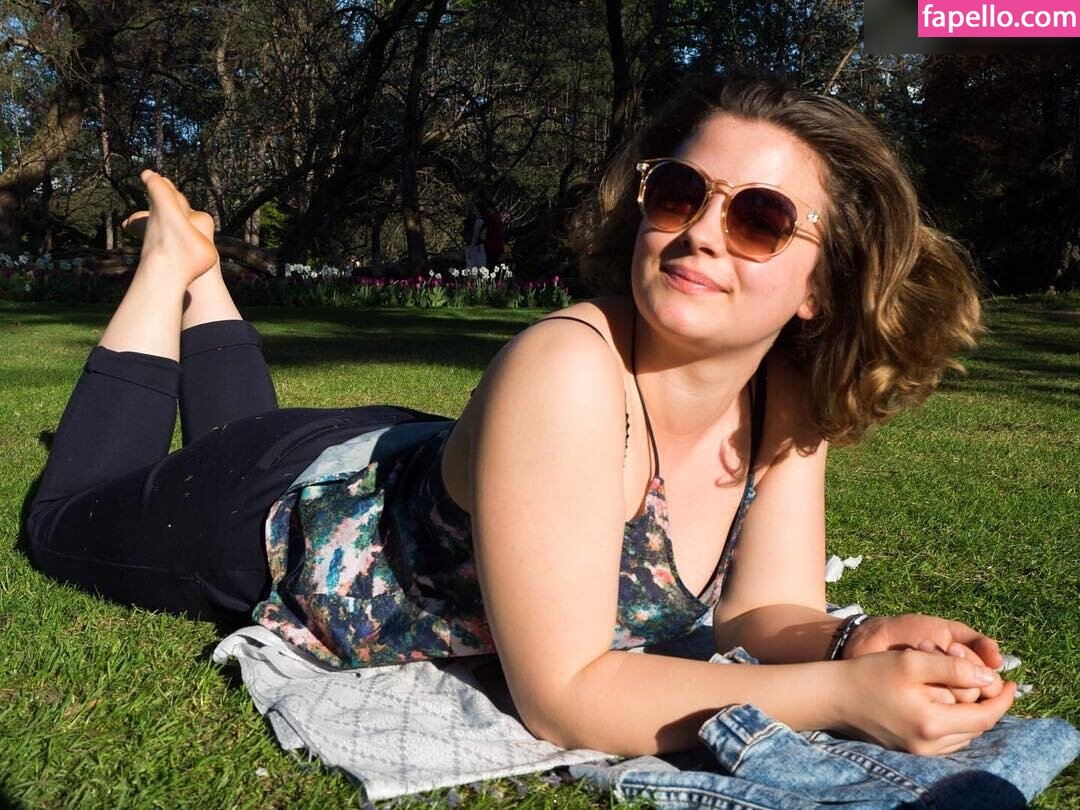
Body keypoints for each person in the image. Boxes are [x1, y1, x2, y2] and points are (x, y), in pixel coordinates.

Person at [25, 74, 1017, 761]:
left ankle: (205, 281)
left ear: (821, 284)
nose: (702, 235)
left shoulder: (783, 396)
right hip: (263, 515)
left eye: (759, 219)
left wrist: (852, 643)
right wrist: (841, 701)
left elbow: (763, 615)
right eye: (680, 194)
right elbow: (567, 696)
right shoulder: (570, 367)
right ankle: (171, 266)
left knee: (228, 436)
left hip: (387, 459)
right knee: (61, 517)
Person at [463, 202, 487, 269]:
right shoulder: (481, 220)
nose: (474, 209)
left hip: (476, 248)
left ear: (478, 209)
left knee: (474, 266)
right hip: (478, 247)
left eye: (475, 208)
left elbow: (475, 236)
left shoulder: (478, 221)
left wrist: (470, 249)